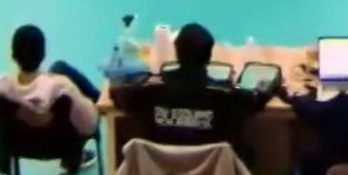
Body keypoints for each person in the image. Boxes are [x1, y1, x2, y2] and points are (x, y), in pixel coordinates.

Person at [110, 23, 268, 148]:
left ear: (177, 52)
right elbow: (255, 101)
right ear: (208, 57)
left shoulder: (150, 91)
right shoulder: (226, 95)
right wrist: (267, 88)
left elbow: (117, 96)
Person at [0, 24, 100, 148]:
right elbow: (90, 124)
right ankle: (101, 98)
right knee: (59, 67)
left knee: (57, 68)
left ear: (13, 56)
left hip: (20, 145)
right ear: (43, 55)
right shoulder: (61, 88)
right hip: (59, 145)